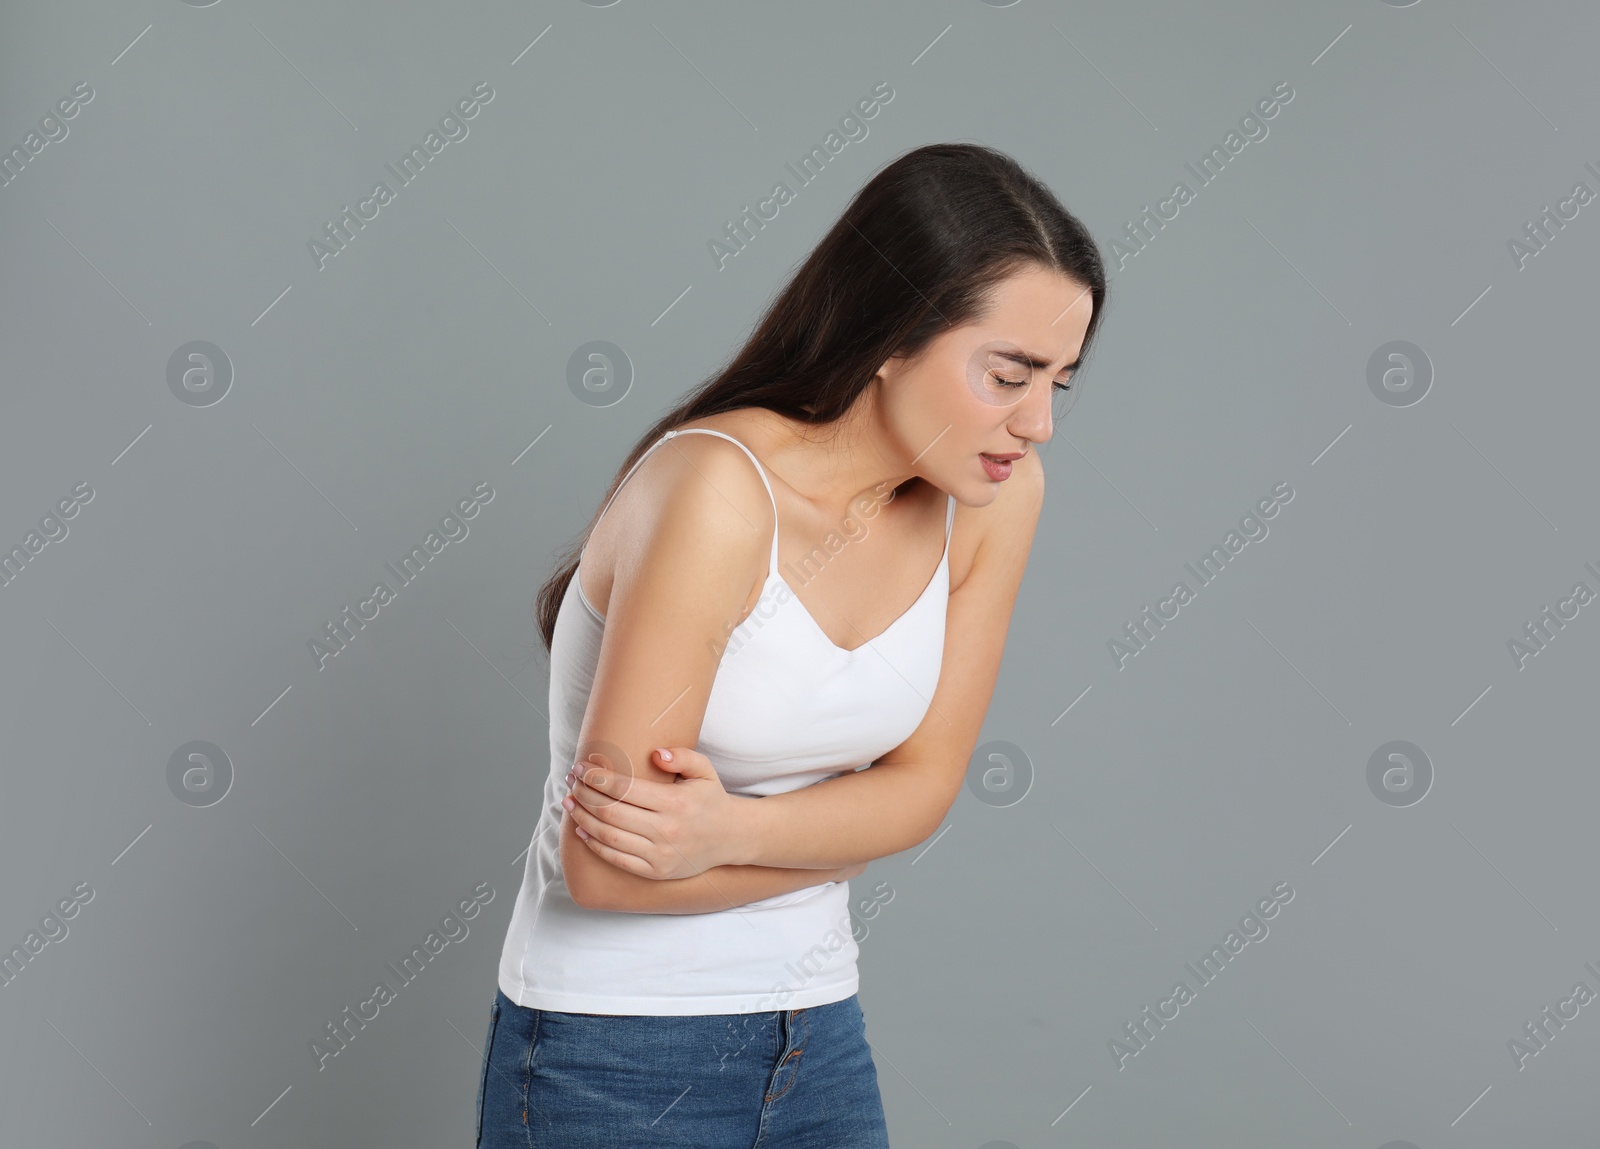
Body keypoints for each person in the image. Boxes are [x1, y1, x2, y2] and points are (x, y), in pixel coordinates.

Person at [477, 141, 1107, 1148]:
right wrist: (833, 847)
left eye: (1058, 385)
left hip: (815, 1038)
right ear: (893, 336)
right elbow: (605, 873)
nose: (1035, 424)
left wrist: (730, 835)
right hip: (612, 1053)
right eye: (1008, 374)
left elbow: (924, 789)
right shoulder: (716, 493)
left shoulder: (991, 498)